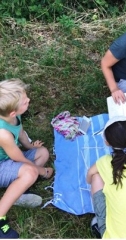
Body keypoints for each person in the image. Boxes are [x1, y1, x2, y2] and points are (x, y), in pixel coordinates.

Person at [0, 78, 54, 238]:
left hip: (8, 160)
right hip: (3, 164)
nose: (28, 100)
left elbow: (21, 133)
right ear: (12, 112)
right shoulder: (2, 133)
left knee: (42, 152)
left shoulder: (13, 117)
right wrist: (42, 171)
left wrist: (31, 147)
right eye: (24, 101)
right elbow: (17, 157)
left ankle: (17, 191)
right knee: (30, 172)